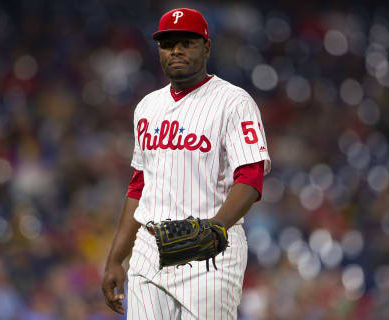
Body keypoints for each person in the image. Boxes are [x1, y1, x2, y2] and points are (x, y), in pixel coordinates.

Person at [102, 7, 271, 319]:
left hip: (212, 251)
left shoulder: (234, 102)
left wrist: (214, 230)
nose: (176, 50)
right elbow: (139, 185)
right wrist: (116, 257)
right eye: (167, 44)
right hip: (148, 249)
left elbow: (251, 176)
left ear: (206, 47)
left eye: (187, 42)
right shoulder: (147, 107)